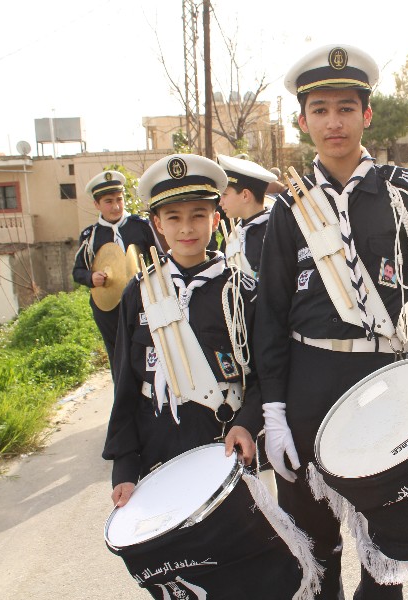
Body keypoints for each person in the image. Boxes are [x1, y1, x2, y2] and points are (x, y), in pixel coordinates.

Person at [255, 44, 408, 600]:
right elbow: (268, 313)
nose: (333, 121)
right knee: (315, 549)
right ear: (303, 121)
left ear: (367, 114)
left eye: (345, 107)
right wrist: (273, 410)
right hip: (309, 382)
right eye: (320, 109)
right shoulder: (289, 208)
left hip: (387, 381)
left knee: (386, 542)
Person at [102, 154, 307, 598]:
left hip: (226, 449)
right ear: (157, 224)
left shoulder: (240, 288)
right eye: (173, 217)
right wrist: (125, 465)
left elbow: (267, 372)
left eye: (198, 215)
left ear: (216, 218)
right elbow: (126, 383)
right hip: (164, 454)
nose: (187, 228)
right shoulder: (141, 291)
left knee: (250, 565)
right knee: (189, 573)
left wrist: (248, 423)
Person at [72, 170, 159, 372]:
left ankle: (151, 398)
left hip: (142, 303)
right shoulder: (90, 236)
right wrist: (91, 277)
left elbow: (159, 258)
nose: (116, 206)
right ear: (97, 205)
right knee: (118, 358)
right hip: (108, 310)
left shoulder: (141, 226)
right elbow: (77, 271)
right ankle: (123, 399)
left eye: (119, 199)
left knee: (148, 351)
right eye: (109, 201)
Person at [217, 154, 278, 279]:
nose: (220, 202)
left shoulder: (274, 232)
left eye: (225, 195)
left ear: (245, 195)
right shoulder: (232, 236)